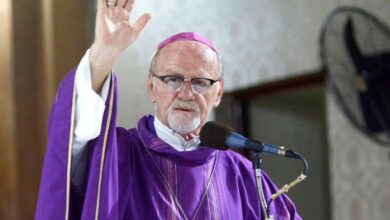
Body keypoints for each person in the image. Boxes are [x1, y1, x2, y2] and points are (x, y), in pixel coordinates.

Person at [35, 0, 302, 219]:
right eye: (172, 79)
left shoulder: (243, 176)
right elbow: (70, 140)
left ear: (218, 93)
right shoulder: (115, 156)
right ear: (152, 87)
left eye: (200, 82)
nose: (185, 93)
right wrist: (103, 54)